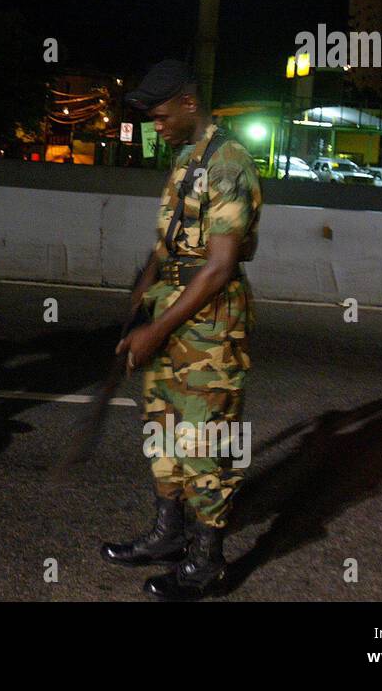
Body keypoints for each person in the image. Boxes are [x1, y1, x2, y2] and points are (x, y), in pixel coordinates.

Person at [100, 59, 262, 600]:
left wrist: (156, 328)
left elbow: (217, 265)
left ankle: (207, 560)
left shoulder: (228, 162)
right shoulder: (186, 158)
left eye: (160, 113)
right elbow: (168, 242)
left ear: (189, 104)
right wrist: (141, 301)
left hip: (210, 322)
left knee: (204, 440)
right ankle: (169, 535)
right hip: (173, 305)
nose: (154, 123)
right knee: (163, 428)